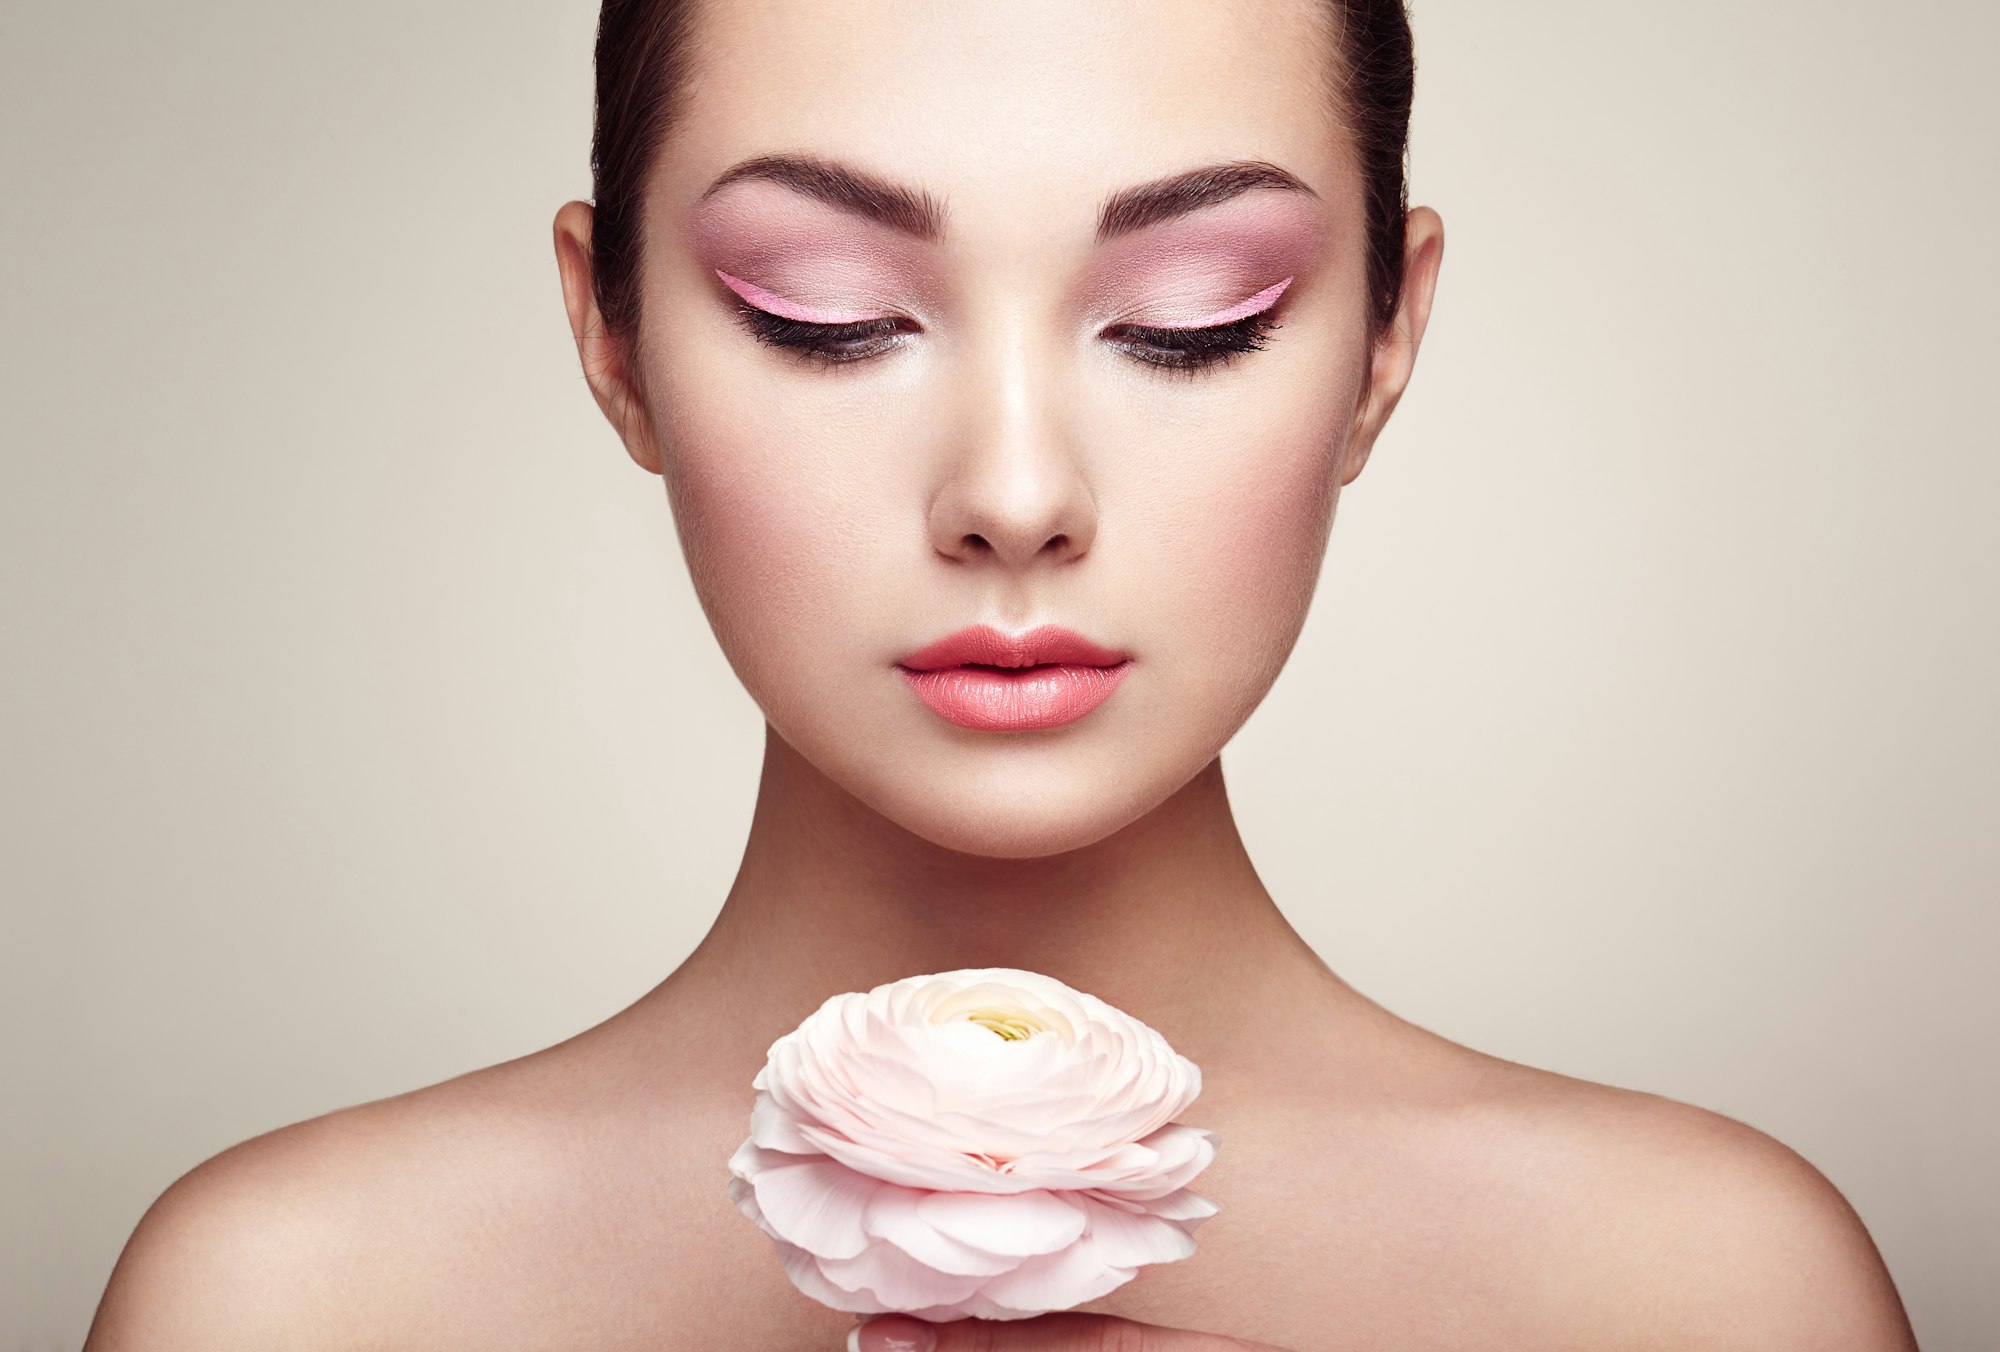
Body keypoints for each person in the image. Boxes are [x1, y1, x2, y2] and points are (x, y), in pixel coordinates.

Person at [81, 2, 1918, 1348]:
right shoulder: (292, 1303)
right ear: (612, 337)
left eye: (1196, 320)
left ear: (1383, 342)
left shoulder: (1707, 1295)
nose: (1016, 495)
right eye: (827, 311)